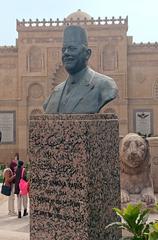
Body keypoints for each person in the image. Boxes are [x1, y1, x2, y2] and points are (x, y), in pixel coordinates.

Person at [43, 25, 118, 114]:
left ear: (87, 54)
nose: (66, 53)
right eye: (64, 49)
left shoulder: (105, 85)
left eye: (72, 49)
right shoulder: (56, 92)